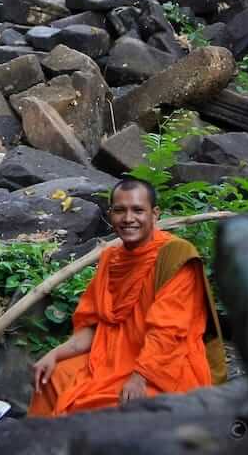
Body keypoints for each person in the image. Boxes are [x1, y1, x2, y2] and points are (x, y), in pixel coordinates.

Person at [27, 178, 226, 417]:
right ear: (110, 214)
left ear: (154, 214)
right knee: (52, 377)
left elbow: (168, 330)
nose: (128, 218)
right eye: (120, 210)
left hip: (165, 363)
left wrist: (141, 376)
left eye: (138, 210)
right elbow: (94, 324)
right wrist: (55, 354)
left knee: (104, 406)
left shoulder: (175, 256)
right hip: (111, 357)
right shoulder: (111, 257)